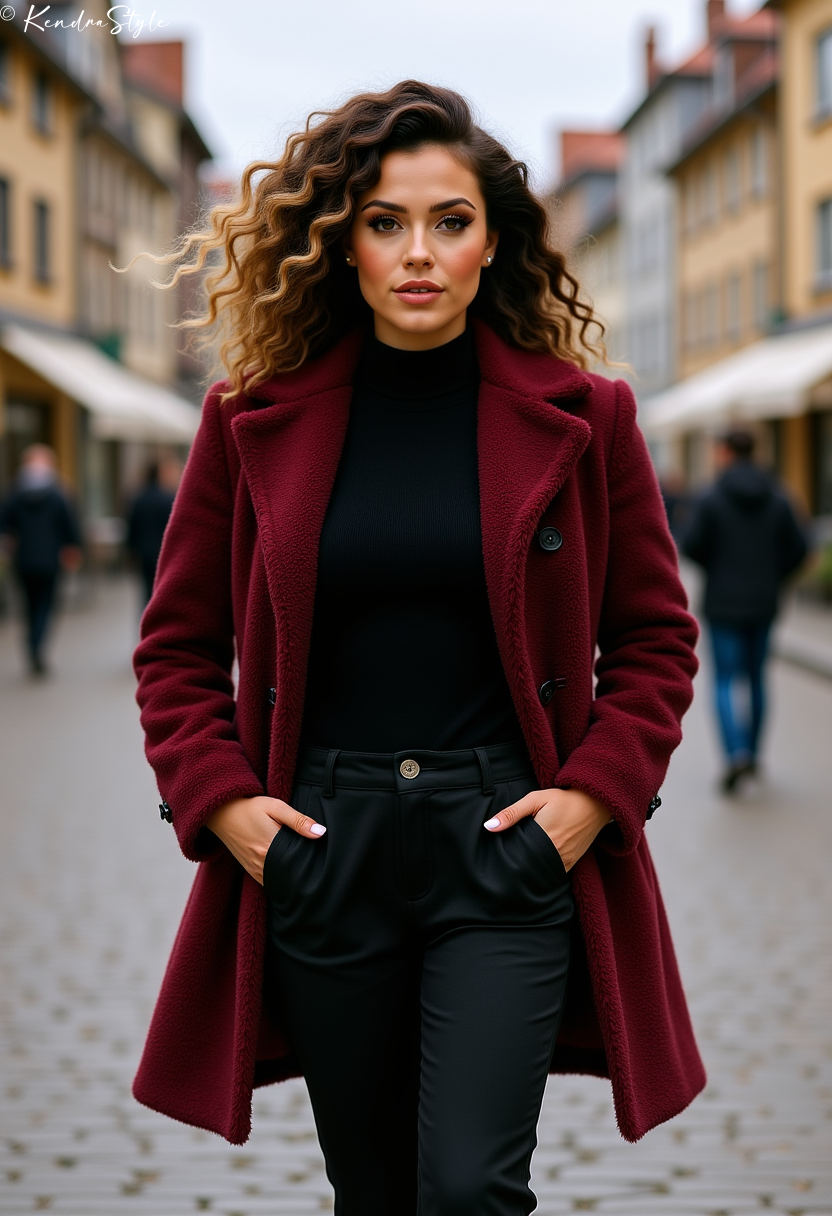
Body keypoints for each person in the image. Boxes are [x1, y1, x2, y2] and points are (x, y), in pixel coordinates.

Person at [130, 82, 703, 1215]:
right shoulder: (249, 416)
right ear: (342, 242)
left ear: (494, 240)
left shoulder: (591, 418)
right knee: (378, 1191)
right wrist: (226, 807)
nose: (418, 253)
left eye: (449, 221)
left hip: (504, 846)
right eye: (385, 222)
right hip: (321, 847)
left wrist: (592, 798)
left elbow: (653, 639)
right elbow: (177, 648)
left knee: (466, 1188)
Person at [682, 428, 808, 794]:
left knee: (723, 680)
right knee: (757, 679)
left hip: (722, 603)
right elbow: (799, 548)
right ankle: (753, 753)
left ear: (724, 453)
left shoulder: (711, 497)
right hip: (764, 603)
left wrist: (718, 567)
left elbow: (691, 545)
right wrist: (772, 576)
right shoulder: (779, 495)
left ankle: (735, 752)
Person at [0, 444, 82, 676]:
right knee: (46, 605)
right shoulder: (58, 493)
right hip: (50, 559)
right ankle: (38, 646)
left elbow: (4, 524)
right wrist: (73, 549)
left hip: (23, 559)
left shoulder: (14, 493)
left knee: (28, 606)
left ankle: (31, 647)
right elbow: (70, 526)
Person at [125, 457, 181, 607]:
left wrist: (130, 551)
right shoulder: (168, 499)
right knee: (162, 591)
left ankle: (148, 621)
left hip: (143, 552)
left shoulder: (138, 498)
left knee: (146, 591)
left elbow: (132, 527)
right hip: (163, 553)